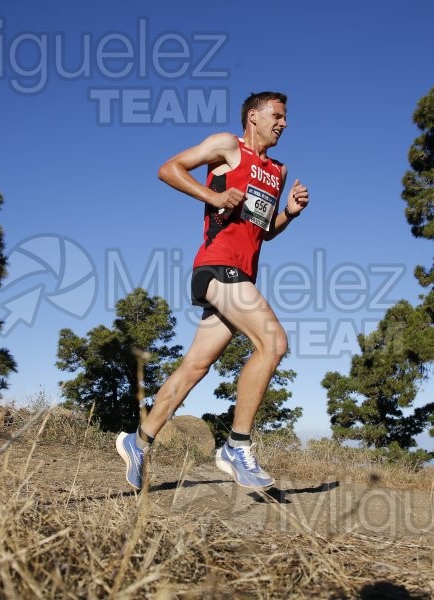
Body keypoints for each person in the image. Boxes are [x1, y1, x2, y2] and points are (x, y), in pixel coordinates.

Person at [116, 91, 309, 490]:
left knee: (195, 367)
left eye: (286, 118)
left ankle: (139, 442)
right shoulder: (227, 146)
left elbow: (265, 230)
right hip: (217, 267)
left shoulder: (278, 170)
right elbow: (169, 169)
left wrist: (289, 212)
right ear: (253, 116)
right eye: (277, 115)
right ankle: (236, 447)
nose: (284, 123)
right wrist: (215, 196)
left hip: (242, 275)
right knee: (272, 343)